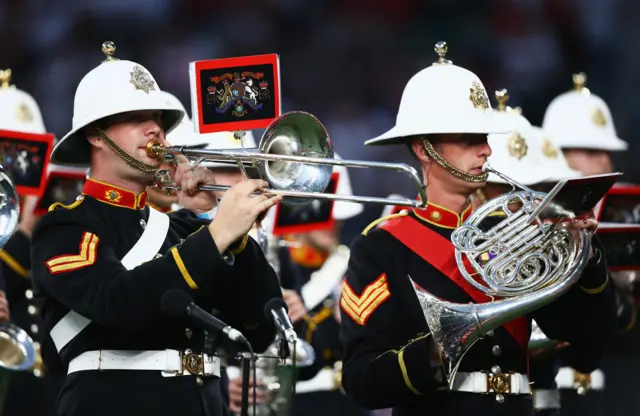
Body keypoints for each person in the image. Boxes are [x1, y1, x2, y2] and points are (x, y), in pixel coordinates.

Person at [338, 41, 617, 416]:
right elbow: (360, 378)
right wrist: (432, 354)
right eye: (468, 139)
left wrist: (587, 250)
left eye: (484, 138)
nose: (485, 150)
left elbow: (588, 338)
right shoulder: (382, 245)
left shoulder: (517, 232)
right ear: (424, 149)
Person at [30, 42, 283, 416]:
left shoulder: (184, 228)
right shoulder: (65, 224)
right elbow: (116, 302)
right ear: (96, 134)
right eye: (136, 117)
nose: (155, 129)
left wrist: (219, 225)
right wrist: (214, 236)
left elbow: (260, 328)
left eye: (159, 119)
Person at [542, 72, 632, 416]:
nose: (605, 163)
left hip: (619, 385)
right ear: (555, 153)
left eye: (608, 152)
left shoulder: (630, 212)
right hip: (545, 387)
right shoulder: (530, 216)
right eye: (592, 151)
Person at [0, 68, 65, 416]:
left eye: (33, 153)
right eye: (9, 151)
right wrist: (24, 232)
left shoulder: (54, 203)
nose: (21, 166)